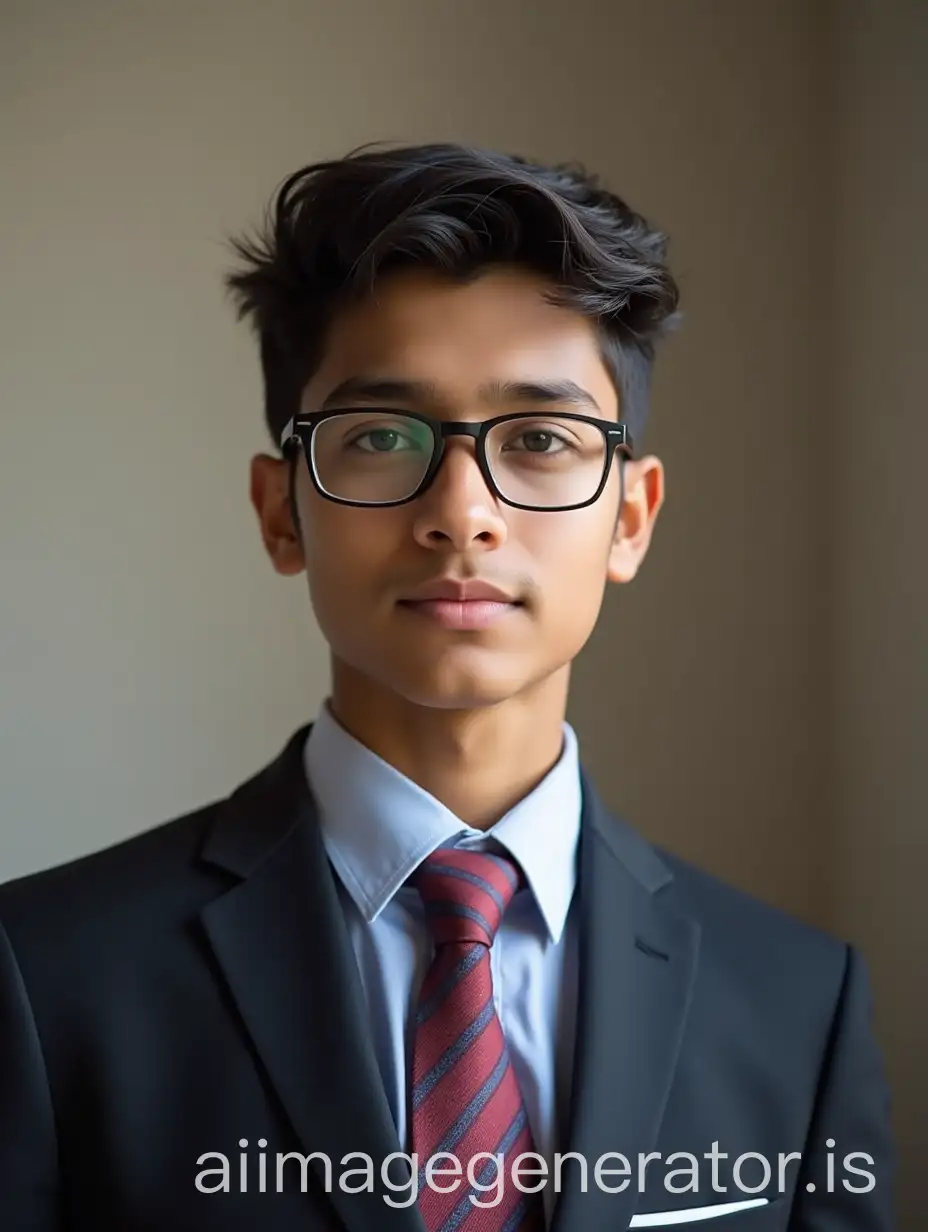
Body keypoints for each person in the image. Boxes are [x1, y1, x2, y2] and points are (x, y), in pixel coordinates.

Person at [0, 143, 894, 1231]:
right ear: (283, 510)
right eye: (380, 435)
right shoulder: (47, 976)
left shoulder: (799, 1001)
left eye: (542, 439)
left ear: (629, 517)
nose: (461, 510)